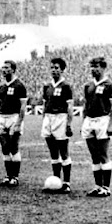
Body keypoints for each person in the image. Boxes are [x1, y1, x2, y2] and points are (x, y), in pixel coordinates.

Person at [82, 57, 112, 197]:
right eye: (91, 66)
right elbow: (86, 105)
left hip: (103, 120)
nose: (93, 69)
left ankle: (106, 187)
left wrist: (111, 125)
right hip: (89, 121)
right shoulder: (88, 85)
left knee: (103, 154)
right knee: (94, 156)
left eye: (96, 66)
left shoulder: (109, 85)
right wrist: (83, 122)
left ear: (103, 68)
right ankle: (97, 186)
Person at [41, 58, 74, 194]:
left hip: (61, 118)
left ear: (62, 69)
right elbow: (44, 105)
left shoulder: (66, 86)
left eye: (56, 67)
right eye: (52, 67)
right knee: (53, 152)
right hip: (48, 118)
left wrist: (68, 124)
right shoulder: (47, 86)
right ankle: (56, 181)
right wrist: (44, 120)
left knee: (63, 152)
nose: (54, 70)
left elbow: (70, 106)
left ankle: (66, 183)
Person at [0, 60, 28, 188]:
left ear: (13, 70)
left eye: (7, 68)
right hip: (2, 118)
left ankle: (15, 177)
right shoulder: (1, 86)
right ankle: (8, 176)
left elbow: (23, 106)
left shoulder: (19, 86)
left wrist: (19, 123)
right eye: (3, 68)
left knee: (14, 147)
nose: (4, 70)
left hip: (14, 117)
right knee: (4, 147)